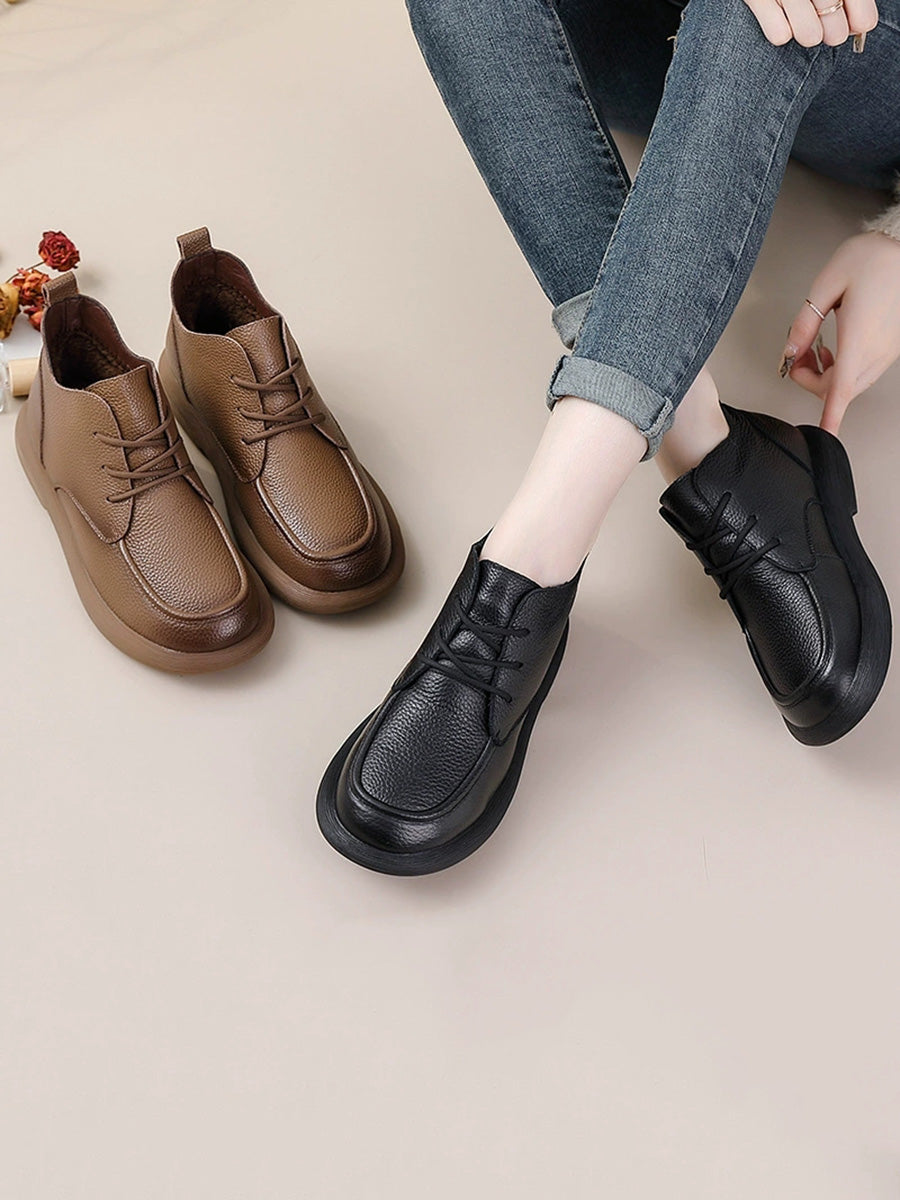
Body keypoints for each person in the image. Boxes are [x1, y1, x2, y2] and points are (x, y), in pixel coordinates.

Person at [316, 0, 900, 875]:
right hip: (667, 41)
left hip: (852, 52)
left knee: (759, 13)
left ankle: (529, 558)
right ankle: (701, 440)